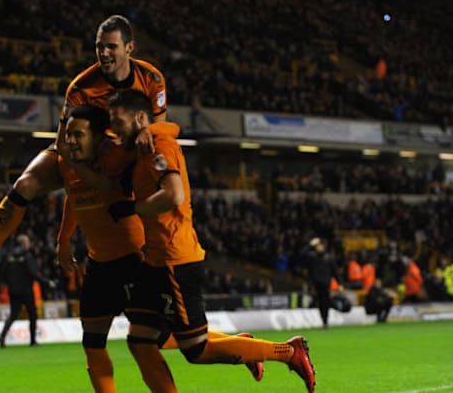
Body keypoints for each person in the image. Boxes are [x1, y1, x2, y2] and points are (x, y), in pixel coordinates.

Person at [106, 89, 316, 393]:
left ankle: (287, 352)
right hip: (156, 260)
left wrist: (133, 208)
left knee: (195, 350)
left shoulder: (158, 145)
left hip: (173, 260)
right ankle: (241, 345)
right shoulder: (143, 146)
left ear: (140, 118)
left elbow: (174, 194)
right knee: (143, 338)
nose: (115, 129)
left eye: (119, 122)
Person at [0, 14, 167, 281]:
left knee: (152, 163)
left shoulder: (152, 79)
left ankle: (162, 249)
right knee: (25, 184)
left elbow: (158, 132)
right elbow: (64, 143)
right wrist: (85, 170)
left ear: (129, 48)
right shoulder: (81, 86)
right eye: (99, 46)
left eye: (111, 47)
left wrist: (141, 135)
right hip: (83, 149)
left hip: (126, 150)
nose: (104, 53)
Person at [57, 105, 262, 392]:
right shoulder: (69, 162)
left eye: (78, 134)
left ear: (98, 136)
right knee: (96, 341)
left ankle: (242, 348)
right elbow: (73, 194)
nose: (70, 141)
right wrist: (63, 240)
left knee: (158, 337)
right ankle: (240, 347)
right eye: (67, 135)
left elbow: (158, 160)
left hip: (134, 258)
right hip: (98, 265)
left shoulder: (123, 153)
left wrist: (149, 131)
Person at [0, 234, 39, 347]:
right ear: (25, 244)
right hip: (26, 290)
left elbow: (3, 272)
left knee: (13, 314)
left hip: (13, 290)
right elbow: (32, 273)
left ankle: (2, 335)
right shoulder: (27, 256)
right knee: (32, 314)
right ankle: (33, 340)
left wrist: (9, 284)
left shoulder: (9, 256)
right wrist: (46, 282)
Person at [304, 238, 341, 329]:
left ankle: (325, 321)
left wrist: (340, 283)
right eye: (317, 246)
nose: (319, 247)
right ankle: (324, 320)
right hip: (316, 285)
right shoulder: (312, 257)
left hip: (326, 284)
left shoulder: (328, 258)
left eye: (320, 246)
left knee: (325, 302)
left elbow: (334, 271)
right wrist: (310, 244)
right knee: (320, 303)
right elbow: (302, 254)